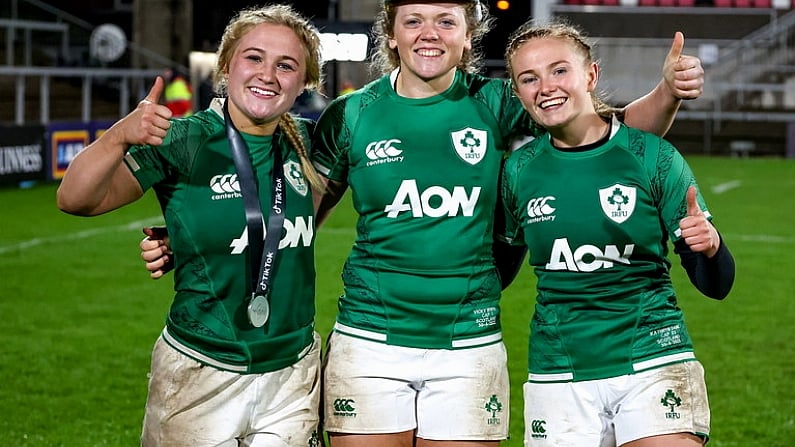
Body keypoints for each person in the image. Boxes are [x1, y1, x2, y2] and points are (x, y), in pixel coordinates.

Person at [141, 1, 706, 445]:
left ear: (467, 35)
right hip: (369, 338)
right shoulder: (352, 113)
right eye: (413, 20)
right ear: (391, 33)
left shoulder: (497, 101)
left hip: (469, 340)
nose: (428, 32)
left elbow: (609, 137)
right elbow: (298, 203)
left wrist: (668, 93)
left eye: (445, 20)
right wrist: (208, 238)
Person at [57, 5, 327, 446]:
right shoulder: (185, 140)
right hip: (199, 372)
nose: (268, 74)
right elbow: (76, 199)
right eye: (253, 58)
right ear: (226, 66)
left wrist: (210, 237)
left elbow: (296, 216)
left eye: (286, 65)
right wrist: (119, 135)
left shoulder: (308, 142)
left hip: (292, 373)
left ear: (304, 82)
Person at [500, 20, 735, 447]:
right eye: (528, 78)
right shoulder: (518, 171)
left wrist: (711, 247)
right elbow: (496, 271)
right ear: (517, 92)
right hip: (559, 369)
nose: (545, 86)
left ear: (591, 74)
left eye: (559, 70)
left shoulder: (653, 157)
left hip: (654, 357)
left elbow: (715, 284)